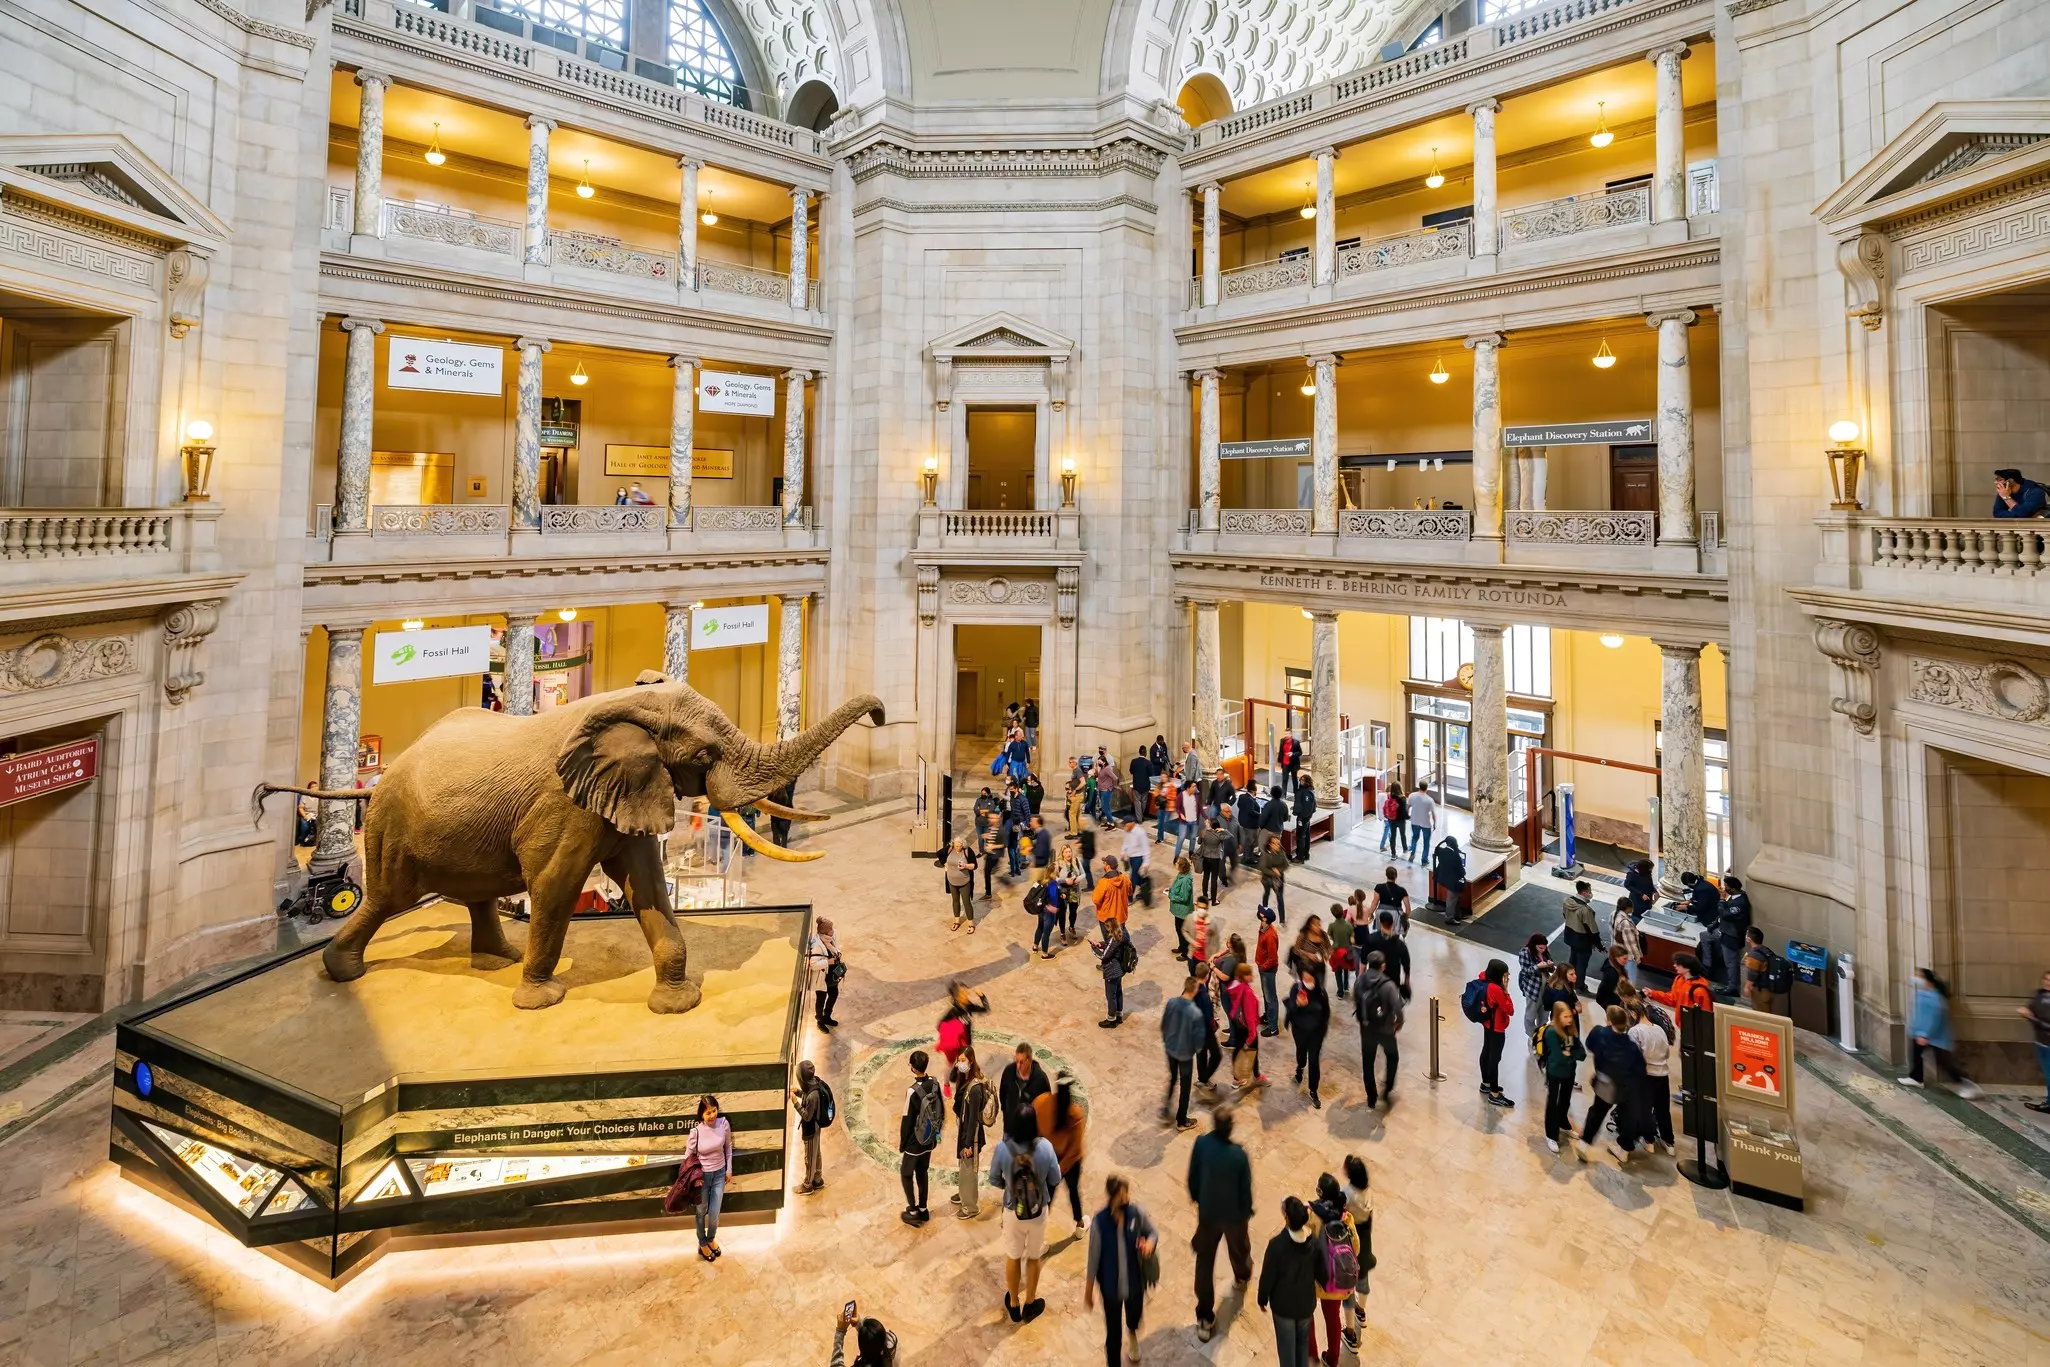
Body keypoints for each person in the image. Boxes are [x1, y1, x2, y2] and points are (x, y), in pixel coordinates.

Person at [1187, 1103, 1255, 1343]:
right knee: (1239, 1248)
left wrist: (1198, 1198)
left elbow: (1193, 1177)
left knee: (1204, 1264)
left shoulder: (1202, 1144)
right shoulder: (1238, 1155)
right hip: (1234, 1216)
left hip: (1208, 1216)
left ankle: (1204, 1317)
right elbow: (1245, 1189)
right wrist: (1246, 1211)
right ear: (1231, 1128)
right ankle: (1242, 1275)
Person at [988, 1109, 1061, 1325]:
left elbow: (993, 1179)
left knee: (1013, 1256)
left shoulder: (1003, 1149)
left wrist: (1009, 1188)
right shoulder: (1046, 1147)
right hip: (1038, 1212)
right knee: (1033, 1256)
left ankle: (1013, 1303)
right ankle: (1030, 1301)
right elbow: (1056, 1178)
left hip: (1013, 1211)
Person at [1084, 1175, 1158, 1367]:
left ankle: (1132, 1332)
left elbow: (1152, 1232)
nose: (1126, 1199)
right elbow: (1093, 1259)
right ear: (1112, 1197)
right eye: (1122, 1196)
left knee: (1134, 1314)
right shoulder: (1099, 1224)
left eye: (1127, 1195)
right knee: (1113, 1334)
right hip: (1111, 1289)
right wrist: (1088, 1292)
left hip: (1134, 1282)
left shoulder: (1136, 1214)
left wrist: (1149, 1243)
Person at [1258, 1195, 1321, 1367]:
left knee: (1287, 1352)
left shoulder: (1277, 1245)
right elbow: (1323, 1274)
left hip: (1283, 1308)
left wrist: (1262, 1298)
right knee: (1302, 1348)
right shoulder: (1314, 1244)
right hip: (1305, 1306)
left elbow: (1268, 1276)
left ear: (1286, 1218)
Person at [1900, 967, 1983, 1098]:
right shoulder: (1922, 994)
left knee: (1945, 1063)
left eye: (1919, 976)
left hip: (1933, 1036)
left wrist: (1925, 1034)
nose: (1916, 978)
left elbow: (1934, 1019)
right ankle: (1916, 1078)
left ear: (1927, 980)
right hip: (1920, 1033)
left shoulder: (1935, 998)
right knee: (1915, 1055)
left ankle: (1967, 1084)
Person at [1581, 1003, 1648, 1161]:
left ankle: (1585, 1142)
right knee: (1628, 1116)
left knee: (1597, 1112)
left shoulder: (1598, 1033)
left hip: (1605, 1084)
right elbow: (1640, 1070)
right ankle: (1624, 1149)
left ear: (1609, 1021)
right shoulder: (1631, 1047)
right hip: (1627, 1088)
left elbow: (1589, 1045)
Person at [1308, 1174, 1361, 1367]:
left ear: (1320, 1192)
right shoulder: (1347, 1217)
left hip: (1317, 1280)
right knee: (1332, 1318)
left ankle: (1312, 1357)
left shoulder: (1313, 1213)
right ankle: (1332, 1359)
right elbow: (1355, 1247)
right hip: (1338, 1280)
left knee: (1308, 1316)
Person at [685, 1094, 735, 1259]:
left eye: (714, 1110)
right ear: (701, 1115)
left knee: (714, 1214)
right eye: (708, 1113)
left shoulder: (724, 1124)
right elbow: (688, 1158)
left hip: (720, 1174)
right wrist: (694, 1178)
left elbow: (728, 1147)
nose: (712, 1115)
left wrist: (729, 1170)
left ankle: (711, 1238)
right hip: (702, 1178)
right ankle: (702, 1243)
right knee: (701, 1211)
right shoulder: (696, 1132)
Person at [897, 1051, 944, 1225]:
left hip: (914, 1143)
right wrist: (936, 1133)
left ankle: (913, 1210)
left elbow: (907, 1120)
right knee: (922, 1172)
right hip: (930, 1139)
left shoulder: (912, 1091)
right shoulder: (935, 1084)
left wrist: (903, 1143)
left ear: (913, 1068)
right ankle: (924, 1209)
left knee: (906, 1174)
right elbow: (941, 1111)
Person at [1353, 949, 1403, 1108]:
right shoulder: (1388, 985)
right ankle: (1387, 1089)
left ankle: (1371, 1096)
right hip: (1385, 1030)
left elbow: (1357, 1002)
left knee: (1368, 1062)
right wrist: (1398, 1022)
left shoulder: (1359, 981)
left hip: (1367, 1029)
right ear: (1383, 966)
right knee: (1392, 1057)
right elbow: (1397, 1008)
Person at [1538, 1001, 1587, 1157]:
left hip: (1569, 1073)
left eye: (1570, 1016)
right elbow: (1559, 1057)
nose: (1570, 1019)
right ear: (1558, 1017)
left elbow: (1582, 1053)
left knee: (1565, 1099)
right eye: (1566, 1016)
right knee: (1553, 1102)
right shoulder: (1552, 1032)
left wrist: (1570, 1055)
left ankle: (1563, 1123)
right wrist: (1571, 1055)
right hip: (1554, 1072)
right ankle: (1551, 1135)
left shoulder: (1570, 1030)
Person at [1627, 997, 1676, 1152]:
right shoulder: (1659, 1029)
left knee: (1644, 1109)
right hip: (1663, 1074)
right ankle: (1669, 1142)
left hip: (1646, 1076)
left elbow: (1634, 1057)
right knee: (1663, 1109)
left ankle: (1649, 1140)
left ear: (1633, 1013)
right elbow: (1667, 1052)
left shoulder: (1635, 1031)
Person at [950, 1047, 992, 1218]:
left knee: (968, 1170)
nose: (960, 1064)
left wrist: (968, 1144)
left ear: (971, 1061)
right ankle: (963, 1194)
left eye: (963, 1061)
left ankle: (970, 1207)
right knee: (963, 1167)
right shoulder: (964, 1078)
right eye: (959, 1060)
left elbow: (974, 1119)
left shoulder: (975, 1089)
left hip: (971, 1136)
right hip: (964, 1129)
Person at [1284, 962, 1331, 1108]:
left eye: (1309, 977)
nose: (1307, 980)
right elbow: (1290, 1009)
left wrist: (1322, 1031)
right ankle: (1300, 1067)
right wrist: (1298, 1004)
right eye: (1304, 976)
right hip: (1300, 1031)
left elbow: (1326, 1013)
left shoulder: (1321, 993)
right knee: (1301, 1053)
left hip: (1316, 1033)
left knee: (1314, 1061)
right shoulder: (1296, 989)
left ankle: (1313, 1090)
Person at [1162, 974, 1206, 1130]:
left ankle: (1166, 1108)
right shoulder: (1195, 1013)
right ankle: (1181, 1120)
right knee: (1185, 1086)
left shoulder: (1172, 1002)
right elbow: (1199, 1040)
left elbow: (1164, 1024)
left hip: (1170, 1049)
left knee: (1173, 1078)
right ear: (1194, 990)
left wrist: (1167, 1041)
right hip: (1185, 1054)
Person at [1340, 1157, 1373, 1351]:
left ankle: (1350, 1334)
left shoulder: (1347, 1194)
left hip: (1351, 1247)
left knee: (1347, 1293)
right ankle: (1362, 1311)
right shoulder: (1369, 1193)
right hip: (1366, 1243)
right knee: (1364, 1282)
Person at [1474, 959, 1517, 1107]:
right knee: (1494, 1059)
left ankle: (1486, 1083)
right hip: (1497, 1027)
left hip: (1487, 1023)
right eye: (1506, 975)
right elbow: (1510, 1010)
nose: (1507, 977)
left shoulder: (1484, 978)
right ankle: (1494, 1093)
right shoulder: (1496, 989)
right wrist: (1506, 991)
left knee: (1486, 1051)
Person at [1227, 961, 1267, 1088]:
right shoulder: (1247, 992)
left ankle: (1236, 1078)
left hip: (1237, 1023)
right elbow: (1250, 1017)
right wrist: (1251, 1036)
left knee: (1238, 1049)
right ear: (1243, 976)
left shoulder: (1234, 986)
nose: (1252, 977)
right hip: (1247, 1027)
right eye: (1250, 974)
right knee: (1252, 1051)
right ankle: (1256, 1076)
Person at [938, 981, 990, 1074]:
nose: (966, 996)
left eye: (967, 993)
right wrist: (953, 1035)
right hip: (959, 1046)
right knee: (965, 1070)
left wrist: (982, 996)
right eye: (963, 994)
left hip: (967, 1043)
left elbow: (985, 1009)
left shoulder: (968, 1006)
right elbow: (940, 1026)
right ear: (957, 997)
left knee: (966, 1068)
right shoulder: (953, 1012)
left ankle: (957, 1073)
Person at [792, 1061, 827, 1194]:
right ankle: (817, 1180)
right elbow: (807, 1095)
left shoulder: (813, 1095)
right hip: (816, 1127)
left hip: (811, 1129)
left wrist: (796, 1103)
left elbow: (807, 1116)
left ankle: (807, 1185)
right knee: (816, 1153)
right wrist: (799, 1092)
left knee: (810, 1157)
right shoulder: (813, 1084)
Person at [1715, 874, 1753, 995]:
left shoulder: (1740, 903)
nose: (1724, 888)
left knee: (1731, 963)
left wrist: (1721, 899)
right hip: (1727, 933)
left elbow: (1725, 914)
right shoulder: (1735, 897)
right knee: (1728, 961)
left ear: (1732, 888)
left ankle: (1732, 987)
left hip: (1732, 936)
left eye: (1726, 886)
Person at [1000, 1040, 1052, 1128]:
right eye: (1016, 1061)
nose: (1018, 1066)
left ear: (1029, 1060)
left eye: (1021, 1062)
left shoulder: (1040, 1079)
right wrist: (1007, 1115)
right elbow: (1003, 1095)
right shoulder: (1009, 1071)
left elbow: (1047, 1104)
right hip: (1010, 1128)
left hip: (1030, 1132)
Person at [1361, 911, 1411, 1001]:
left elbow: (1363, 962)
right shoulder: (1400, 945)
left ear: (1380, 923)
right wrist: (1406, 982)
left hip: (1374, 979)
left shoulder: (1371, 939)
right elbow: (1406, 965)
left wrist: (1360, 978)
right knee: (1391, 1003)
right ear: (1392, 924)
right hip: (1393, 980)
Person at [1561, 880, 1602, 987]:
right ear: (1584, 893)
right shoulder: (1585, 910)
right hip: (1583, 940)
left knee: (1572, 960)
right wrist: (1599, 945)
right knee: (1582, 965)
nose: (1591, 893)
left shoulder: (1567, 901)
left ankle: (1569, 980)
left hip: (1570, 935)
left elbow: (1565, 915)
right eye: (1590, 891)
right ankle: (1580, 985)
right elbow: (1593, 930)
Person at [827, 1306, 897, 1367]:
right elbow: (876, 1336)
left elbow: (835, 1365)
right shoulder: (892, 1347)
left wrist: (840, 1332)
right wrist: (858, 1323)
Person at [1648, 952, 1716, 1015]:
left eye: (1678, 964)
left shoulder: (1699, 990)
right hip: (1682, 1023)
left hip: (1693, 1026)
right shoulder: (1679, 979)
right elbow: (1672, 999)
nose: (1674, 965)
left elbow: (1706, 1013)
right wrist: (1653, 993)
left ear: (1688, 968)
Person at [2021, 969, 2050, 1114]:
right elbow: (2030, 1007)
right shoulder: (2039, 994)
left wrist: (2030, 1017)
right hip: (2040, 1042)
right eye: (2046, 979)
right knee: (2047, 1074)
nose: (2047, 983)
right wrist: (2027, 1011)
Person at [1095, 917, 1133, 1028]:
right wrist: (1101, 944)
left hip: (1112, 970)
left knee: (1110, 995)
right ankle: (1119, 1015)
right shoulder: (1123, 935)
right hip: (1120, 969)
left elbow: (1103, 955)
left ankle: (1111, 1019)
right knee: (1118, 992)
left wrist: (1094, 947)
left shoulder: (1113, 940)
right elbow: (1109, 946)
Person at [808, 916, 843, 1032]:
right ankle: (820, 1020)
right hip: (822, 978)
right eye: (831, 928)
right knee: (821, 999)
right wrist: (828, 962)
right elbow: (813, 964)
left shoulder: (830, 939)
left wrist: (837, 954)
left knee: (834, 994)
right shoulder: (817, 945)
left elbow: (834, 949)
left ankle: (827, 1016)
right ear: (825, 931)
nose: (833, 930)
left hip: (831, 974)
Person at [1517, 932, 1553, 1030]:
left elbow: (1551, 969)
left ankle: (1541, 1033)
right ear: (1534, 945)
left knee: (1544, 1013)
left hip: (1545, 986)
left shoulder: (1545, 952)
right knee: (1531, 1014)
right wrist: (1537, 966)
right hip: (1533, 988)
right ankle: (1531, 1035)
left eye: (1544, 947)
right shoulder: (1524, 952)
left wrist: (1550, 965)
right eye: (1540, 948)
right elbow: (1525, 971)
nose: (1543, 950)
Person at [1255, 909, 1282, 1036]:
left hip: (1267, 970)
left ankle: (1273, 1027)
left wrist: (1264, 967)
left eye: (1261, 913)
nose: (1258, 913)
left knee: (1271, 998)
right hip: (1263, 967)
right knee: (1266, 995)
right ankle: (1267, 1017)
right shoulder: (1263, 927)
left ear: (1265, 919)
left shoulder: (1270, 935)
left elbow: (1273, 958)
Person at [1287, 916, 1330, 992]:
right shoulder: (1303, 935)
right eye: (1315, 925)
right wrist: (1308, 954)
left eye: (1319, 925)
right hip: (1307, 968)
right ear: (1310, 925)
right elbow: (1295, 950)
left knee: (1320, 988)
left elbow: (1328, 947)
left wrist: (1326, 953)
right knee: (1308, 990)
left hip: (1320, 967)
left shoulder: (1323, 934)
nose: (1318, 927)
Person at [1740, 926, 1778, 1013]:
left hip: (1761, 991)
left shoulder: (1755, 956)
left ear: (1749, 939)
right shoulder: (1765, 950)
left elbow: (1752, 974)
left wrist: (1747, 987)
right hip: (1770, 988)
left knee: (1761, 1013)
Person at [1430, 836, 1468, 922]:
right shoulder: (1455, 856)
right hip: (1452, 881)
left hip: (1443, 877)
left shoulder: (1441, 851)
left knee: (1454, 898)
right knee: (1452, 899)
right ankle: (1449, 918)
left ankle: (1457, 914)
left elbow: (1437, 849)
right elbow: (1461, 870)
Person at [945, 838, 977, 932]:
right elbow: (941, 855)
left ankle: (971, 924)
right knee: (955, 901)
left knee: (966, 902)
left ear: (963, 845)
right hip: (952, 881)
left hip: (964, 882)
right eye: (956, 846)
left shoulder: (967, 851)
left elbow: (974, 865)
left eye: (959, 846)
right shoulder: (950, 849)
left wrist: (965, 866)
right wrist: (945, 866)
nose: (958, 848)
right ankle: (956, 921)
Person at [1259, 834, 1290, 926]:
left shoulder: (1281, 852)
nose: (1277, 846)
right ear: (1270, 844)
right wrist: (1273, 872)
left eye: (1278, 844)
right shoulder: (1265, 854)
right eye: (1275, 844)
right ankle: (1264, 909)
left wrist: (1278, 871)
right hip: (1267, 879)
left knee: (1280, 898)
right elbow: (1263, 868)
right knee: (1267, 893)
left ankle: (1282, 920)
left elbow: (1286, 864)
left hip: (1278, 880)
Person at [1029, 867, 1061, 959]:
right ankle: (1045, 954)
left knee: (1040, 927)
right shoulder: (1053, 883)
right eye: (1057, 869)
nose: (1058, 870)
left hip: (1041, 910)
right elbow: (1053, 896)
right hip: (1049, 913)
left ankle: (1035, 946)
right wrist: (1052, 907)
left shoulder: (1042, 881)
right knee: (1046, 933)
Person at [1612, 895, 1644, 986]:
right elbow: (1631, 943)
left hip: (1619, 952)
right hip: (1629, 956)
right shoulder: (1625, 922)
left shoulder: (1616, 915)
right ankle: (1629, 997)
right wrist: (1637, 957)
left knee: (1622, 976)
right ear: (1628, 908)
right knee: (1630, 979)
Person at [1093, 857, 1133, 930]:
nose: (1103, 865)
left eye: (1104, 864)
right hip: (1121, 916)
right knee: (1122, 935)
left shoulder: (1103, 882)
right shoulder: (1125, 878)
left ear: (1108, 866)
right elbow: (1130, 892)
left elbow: (1095, 900)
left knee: (1110, 940)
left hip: (1107, 919)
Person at [1169, 855, 1196, 959]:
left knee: (1183, 931)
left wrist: (1172, 896)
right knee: (1179, 930)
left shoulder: (1185, 880)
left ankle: (1185, 953)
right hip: (1179, 911)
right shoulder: (1181, 875)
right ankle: (1182, 947)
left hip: (1182, 911)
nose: (1175, 864)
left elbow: (1184, 897)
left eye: (1177, 863)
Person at [1327, 902, 1355, 999]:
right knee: (1346, 968)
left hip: (1336, 951)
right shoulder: (1349, 925)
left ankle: (1340, 992)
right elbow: (1352, 938)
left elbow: (1330, 935)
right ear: (1342, 912)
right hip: (1346, 951)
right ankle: (1346, 986)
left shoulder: (1331, 926)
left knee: (1337, 972)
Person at [1404, 782, 1436, 863]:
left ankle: (1413, 852)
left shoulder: (1412, 795)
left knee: (1414, 838)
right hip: (1426, 823)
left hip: (1414, 821)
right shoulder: (1430, 800)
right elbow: (1433, 814)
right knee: (1426, 842)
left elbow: (1407, 807)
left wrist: (1408, 815)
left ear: (1419, 787)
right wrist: (1435, 823)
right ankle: (1424, 860)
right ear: (1427, 788)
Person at [1121, 820, 1152, 903]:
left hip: (1138, 858)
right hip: (1131, 857)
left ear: (1132, 823)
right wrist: (1123, 852)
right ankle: (1145, 887)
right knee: (1135, 876)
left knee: (1133, 878)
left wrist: (1146, 862)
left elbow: (1146, 848)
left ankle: (1129, 898)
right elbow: (1126, 842)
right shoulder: (1128, 831)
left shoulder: (1140, 833)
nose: (1124, 827)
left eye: (1126, 825)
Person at [1198, 816, 1227, 904]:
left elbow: (1199, 842)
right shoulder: (1219, 835)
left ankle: (1205, 896)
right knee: (1214, 879)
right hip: (1215, 859)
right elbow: (1230, 835)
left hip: (1206, 857)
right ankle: (1214, 900)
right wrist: (1223, 830)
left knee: (1205, 877)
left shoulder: (1204, 832)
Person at [1594, 942, 1629, 1010]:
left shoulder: (1616, 966)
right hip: (1609, 1002)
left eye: (1627, 958)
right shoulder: (1611, 974)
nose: (1627, 961)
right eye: (1624, 959)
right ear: (1616, 958)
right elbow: (1608, 991)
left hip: (1611, 999)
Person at [1376, 779, 1406, 856]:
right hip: (1391, 818)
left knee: (1390, 832)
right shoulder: (1392, 796)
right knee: (1387, 831)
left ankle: (1391, 844)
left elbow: (1379, 805)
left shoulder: (1380, 795)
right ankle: (1382, 846)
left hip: (1386, 816)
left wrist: (1380, 815)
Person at [1290, 780, 1316, 863]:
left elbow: (1298, 805)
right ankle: (1306, 854)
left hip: (1301, 817)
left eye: (1302, 780)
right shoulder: (1311, 791)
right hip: (1308, 817)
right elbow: (1314, 805)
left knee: (1300, 836)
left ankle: (1300, 856)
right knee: (1306, 835)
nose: (1300, 781)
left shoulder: (1300, 792)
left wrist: (1295, 811)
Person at [1276, 731, 1302, 797]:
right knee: (1284, 779)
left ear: (1291, 734)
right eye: (1285, 734)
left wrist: (1292, 754)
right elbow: (1281, 751)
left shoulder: (1296, 742)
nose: (1286, 735)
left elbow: (1300, 752)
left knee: (1294, 779)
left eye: (1287, 734)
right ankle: (1283, 795)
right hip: (1285, 763)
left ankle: (1296, 794)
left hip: (1293, 763)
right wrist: (1279, 761)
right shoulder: (1282, 741)